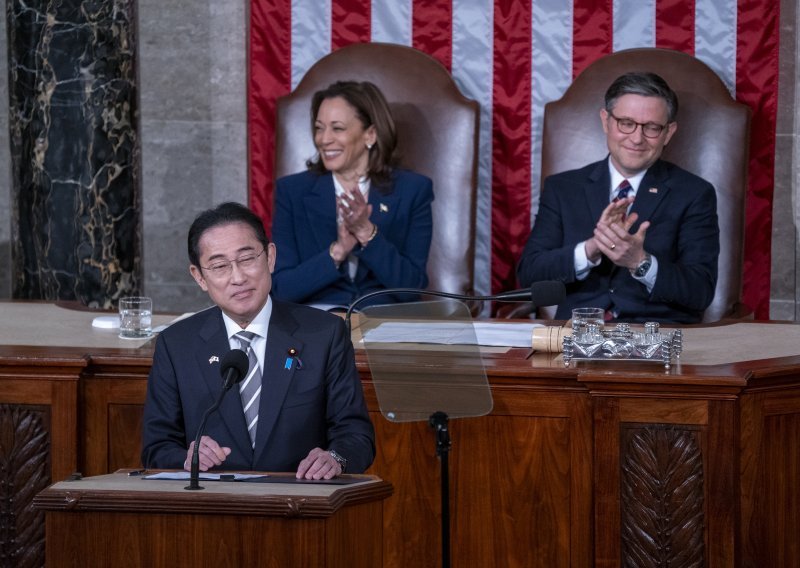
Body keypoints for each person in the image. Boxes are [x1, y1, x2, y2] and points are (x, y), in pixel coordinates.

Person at [141, 202, 375, 479]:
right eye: (219, 266)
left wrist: (335, 458)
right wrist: (187, 458)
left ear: (270, 257)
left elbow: (356, 435)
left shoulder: (324, 334)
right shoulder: (177, 344)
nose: (238, 277)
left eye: (247, 259)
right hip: (213, 504)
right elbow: (156, 447)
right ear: (199, 277)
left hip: (300, 502)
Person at [517, 71, 719, 324]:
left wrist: (640, 262)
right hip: (576, 337)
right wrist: (592, 249)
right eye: (626, 123)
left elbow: (700, 291)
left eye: (652, 128)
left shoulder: (694, 193)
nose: (636, 138)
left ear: (668, 132)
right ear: (606, 121)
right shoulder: (563, 188)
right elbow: (530, 273)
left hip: (656, 339)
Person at [271, 80, 434, 308]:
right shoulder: (292, 192)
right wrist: (337, 252)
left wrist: (367, 234)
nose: (324, 139)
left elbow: (411, 289)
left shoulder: (412, 191)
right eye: (319, 128)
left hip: (384, 328)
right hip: (319, 326)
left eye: (337, 128)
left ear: (370, 135)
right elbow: (282, 289)